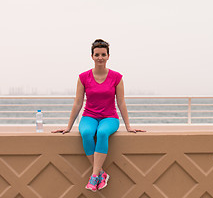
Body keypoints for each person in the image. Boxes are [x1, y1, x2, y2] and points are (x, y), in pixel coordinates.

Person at [52, 39, 145, 192]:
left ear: (108, 56)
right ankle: (101, 173)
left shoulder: (117, 77)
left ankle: (94, 176)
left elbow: (121, 102)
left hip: (110, 118)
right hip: (89, 116)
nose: (100, 57)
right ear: (92, 56)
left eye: (103, 54)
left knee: (102, 133)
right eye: (97, 54)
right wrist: (68, 127)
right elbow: (77, 103)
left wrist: (128, 126)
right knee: (87, 133)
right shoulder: (83, 77)